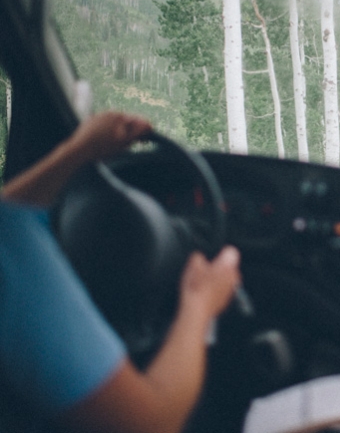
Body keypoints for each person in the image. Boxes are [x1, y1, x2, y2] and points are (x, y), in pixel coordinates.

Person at [0, 112, 241, 433]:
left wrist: (77, 151)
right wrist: (200, 301)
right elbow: (151, 424)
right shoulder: (13, 257)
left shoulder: (11, 243)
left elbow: (8, 218)